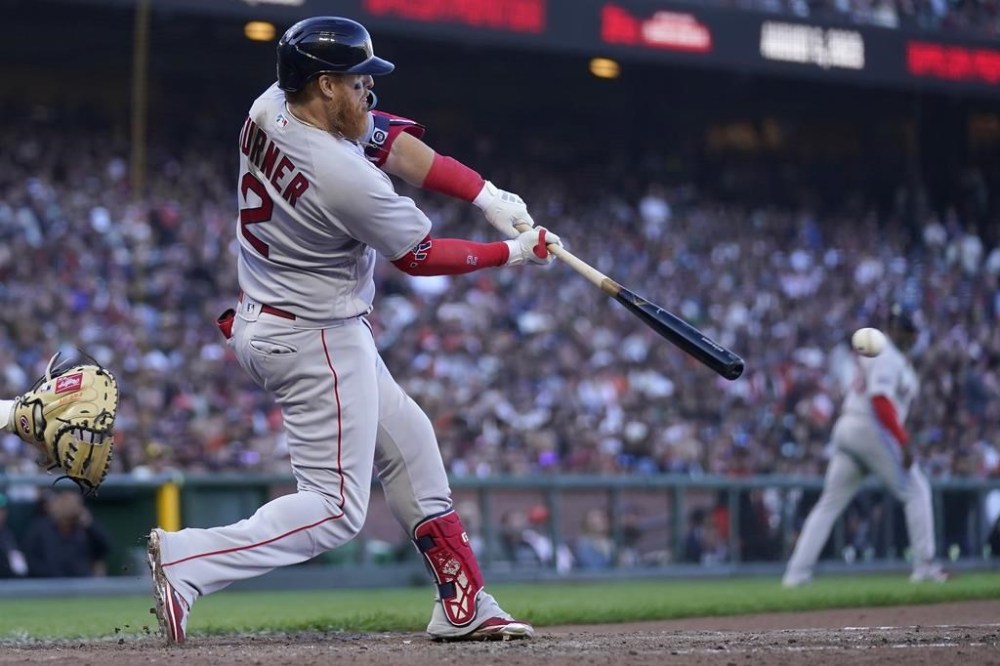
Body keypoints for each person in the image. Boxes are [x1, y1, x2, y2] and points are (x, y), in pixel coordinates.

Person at [146, 16, 560, 644]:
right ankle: (190, 561)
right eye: (357, 79)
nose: (369, 89)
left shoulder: (270, 105)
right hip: (315, 337)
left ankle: (464, 602)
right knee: (335, 510)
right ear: (324, 86)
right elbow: (418, 256)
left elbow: (384, 136)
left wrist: (484, 194)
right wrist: (514, 254)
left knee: (411, 442)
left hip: (278, 319)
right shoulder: (344, 177)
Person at [783, 306, 948, 586]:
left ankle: (796, 574)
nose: (908, 335)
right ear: (894, 329)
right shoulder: (886, 354)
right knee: (917, 491)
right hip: (869, 427)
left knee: (828, 505)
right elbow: (880, 400)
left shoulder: (887, 355)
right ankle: (925, 567)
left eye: (909, 330)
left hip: (850, 428)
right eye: (903, 329)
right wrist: (903, 441)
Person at [23, 489, 111, 577]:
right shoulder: (40, 528)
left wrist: (90, 525)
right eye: (64, 503)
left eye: (73, 504)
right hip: (49, 581)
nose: (68, 507)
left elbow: (104, 548)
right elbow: (31, 559)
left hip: (81, 580)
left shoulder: (86, 529)